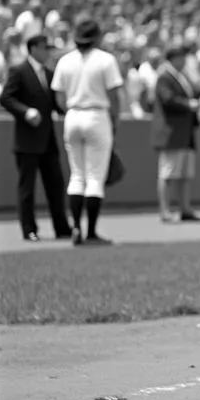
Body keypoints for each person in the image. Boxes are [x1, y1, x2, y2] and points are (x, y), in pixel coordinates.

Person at [51, 17, 125, 246]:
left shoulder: (65, 60)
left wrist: (71, 110)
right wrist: (114, 119)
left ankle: (75, 228)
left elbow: (59, 97)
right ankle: (91, 231)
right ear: (97, 37)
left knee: (77, 175)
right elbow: (114, 96)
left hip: (72, 115)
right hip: (96, 114)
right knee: (94, 177)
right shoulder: (105, 60)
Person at [0, 33, 72, 242]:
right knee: (27, 188)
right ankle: (29, 229)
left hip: (47, 139)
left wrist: (72, 107)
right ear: (33, 49)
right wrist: (25, 111)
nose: (47, 52)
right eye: (44, 47)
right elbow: (6, 98)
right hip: (27, 140)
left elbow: (56, 104)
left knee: (56, 185)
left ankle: (62, 227)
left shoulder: (50, 74)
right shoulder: (19, 71)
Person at [151, 42, 200, 223]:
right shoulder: (164, 76)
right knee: (168, 173)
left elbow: (194, 92)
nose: (184, 61)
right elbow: (167, 99)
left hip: (185, 131)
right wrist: (189, 104)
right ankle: (165, 211)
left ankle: (185, 208)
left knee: (185, 173)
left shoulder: (181, 76)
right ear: (173, 58)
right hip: (171, 132)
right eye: (182, 57)